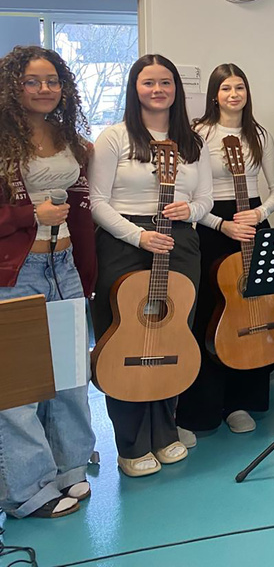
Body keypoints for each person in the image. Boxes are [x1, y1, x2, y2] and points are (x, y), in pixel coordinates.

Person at [89, 54, 213, 477]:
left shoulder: (192, 142)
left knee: (172, 335)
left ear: (176, 89)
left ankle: (165, 431)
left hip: (180, 241)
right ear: (134, 88)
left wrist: (190, 210)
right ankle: (131, 443)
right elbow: (97, 202)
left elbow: (205, 199)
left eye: (165, 82)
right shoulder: (114, 137)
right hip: (125, 243)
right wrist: (138, 236)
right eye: (148, 82)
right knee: (125, 340)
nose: (158, 90)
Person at [0, 46, 96, 517]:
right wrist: (29, 215)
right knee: (19, 391)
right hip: (17, 274)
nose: (44, 89)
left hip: (65, 268)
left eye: (53, 80)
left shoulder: (69, 139)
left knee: (70, 378)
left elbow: (80, 212)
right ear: (13, 86)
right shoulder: (2, 142)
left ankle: (69, 467)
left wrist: (88, 271)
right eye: (33, 81)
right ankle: (26, 491)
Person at [174, 64, 274, 437]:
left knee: (255, 311)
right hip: (213, 225)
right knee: (211, 314)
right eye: (226, 88)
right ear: (214, 94)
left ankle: (242, 401)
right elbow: (189, 195)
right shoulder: (198, 133)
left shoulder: (259, 134)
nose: (234, 94)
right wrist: (221, 225)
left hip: (252, 222)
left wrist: (260, 213)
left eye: (239, 87)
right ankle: (201, 408)